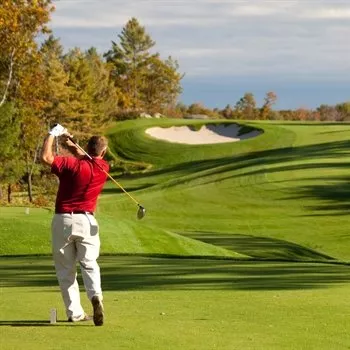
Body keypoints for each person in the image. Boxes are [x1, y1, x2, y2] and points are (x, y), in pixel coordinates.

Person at [41, 123, 109, 326]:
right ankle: (95, 296)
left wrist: (53, 134)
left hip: (63, 220)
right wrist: (70, 141)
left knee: (66, 270)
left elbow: (46, 158)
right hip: (87, 221)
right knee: (89, 263)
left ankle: (75, 312)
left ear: (87, 149)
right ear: (103, 152)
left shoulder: (71, 165)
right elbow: (87, 157)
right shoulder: (104, 168)